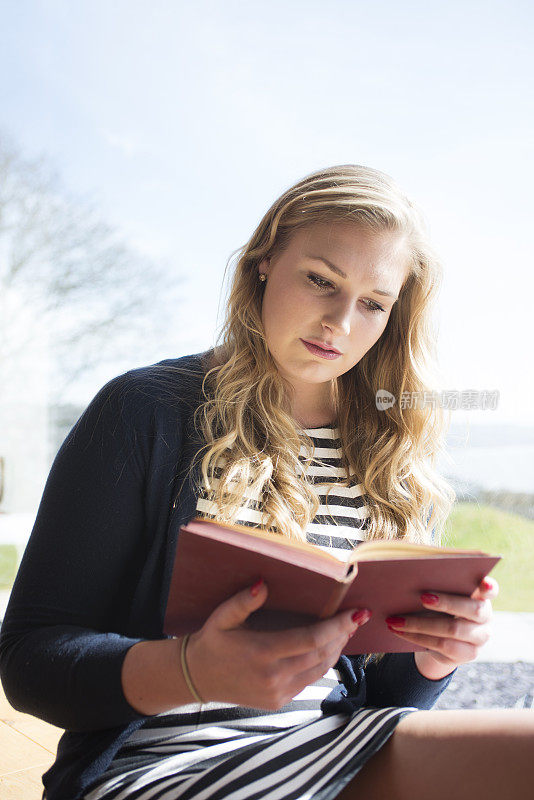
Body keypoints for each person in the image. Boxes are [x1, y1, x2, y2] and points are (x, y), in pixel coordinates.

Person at [0, 164, 532, 800]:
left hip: (333, 747)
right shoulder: (143, 410)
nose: (340, 321)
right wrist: (188, 670)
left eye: (372, 304)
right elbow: (30, 660)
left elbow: (385, 698)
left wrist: (435, 658)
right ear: (262, 262)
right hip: (159, 766)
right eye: (320, 280)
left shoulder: (391, 452)